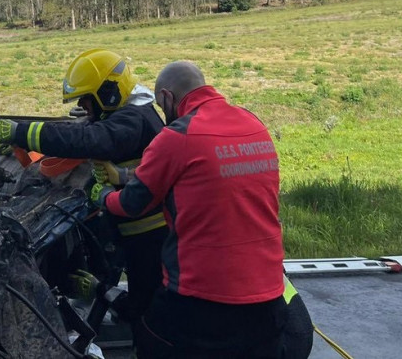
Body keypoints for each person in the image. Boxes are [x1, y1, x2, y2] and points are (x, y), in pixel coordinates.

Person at [98, 61, 284, 358]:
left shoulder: (176, 136)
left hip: (202, 301)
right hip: (270, 298)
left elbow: (132, 204)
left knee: (148, 336)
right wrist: (124, 176)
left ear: (168, 98)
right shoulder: (253, 124)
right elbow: (202, 171)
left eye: (161, 105)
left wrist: (103, 194)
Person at [0, 49, 167, 326]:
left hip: (147, 235)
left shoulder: (132, 120)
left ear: (108, 93)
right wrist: (22, 142)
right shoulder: (133, 112)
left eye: (86, 99)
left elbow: (91, 138)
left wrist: (20, 132)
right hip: (136, 226)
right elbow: (86, 130)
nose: (83, 106)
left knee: (144, 309)